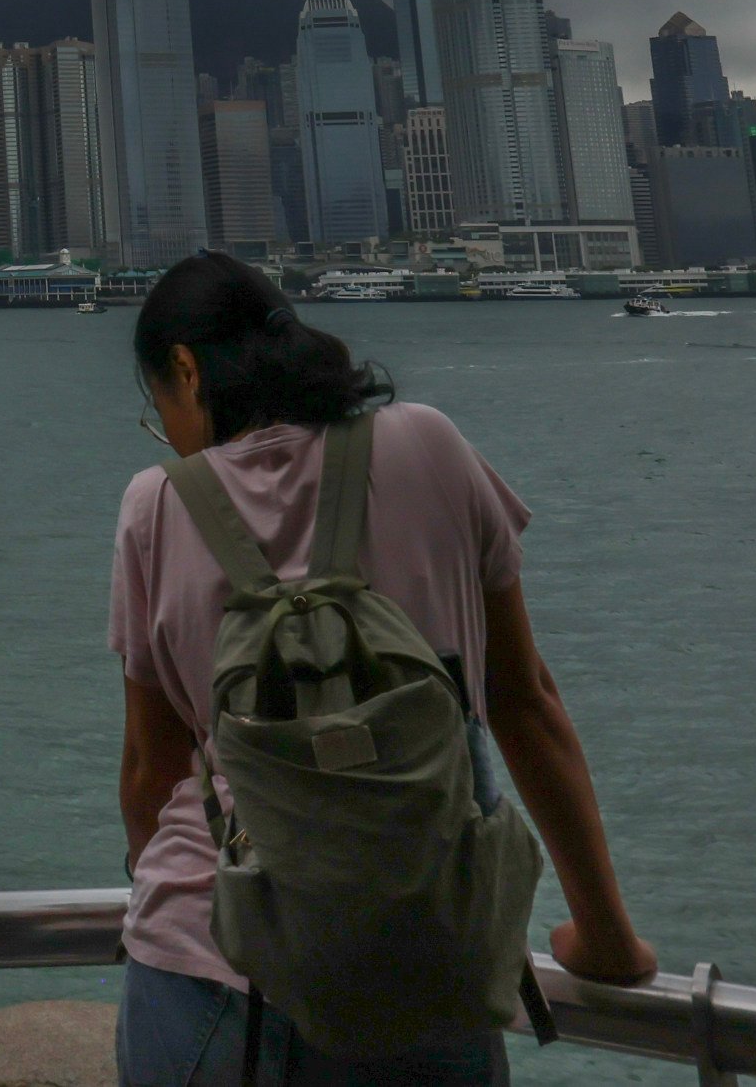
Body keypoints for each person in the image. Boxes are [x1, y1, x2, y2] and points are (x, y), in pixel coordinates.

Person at [112, 252, 653, 1087]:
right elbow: (523, 703)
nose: (170, 437)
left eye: (160, 410)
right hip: (428, 954)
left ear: (186, 370)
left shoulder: (155, 503)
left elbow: (151, 767)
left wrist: (175, 898)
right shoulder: (429, 443)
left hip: (210, 965)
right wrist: (606, 937)